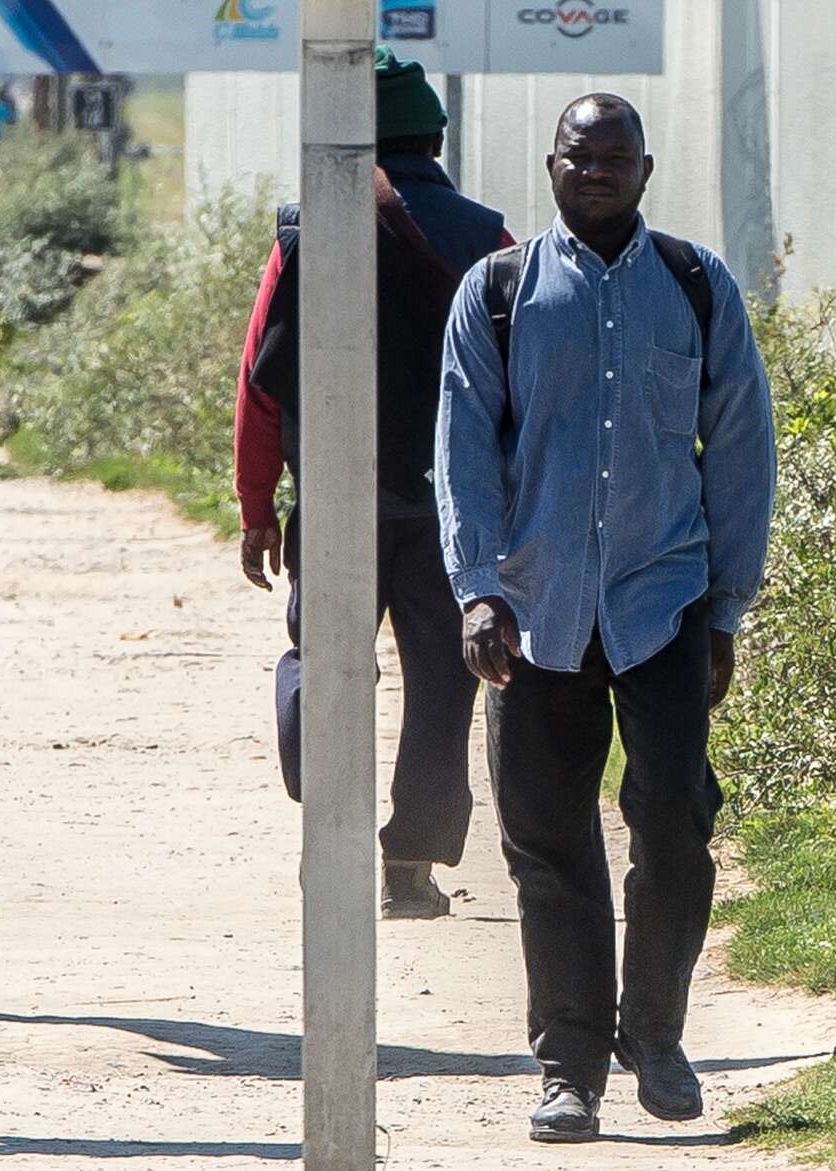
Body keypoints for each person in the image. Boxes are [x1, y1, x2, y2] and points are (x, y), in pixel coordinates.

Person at [436, 94, 776, 1142]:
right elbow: (461, 451)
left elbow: (739, 445)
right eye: (579, 157)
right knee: (546, 841)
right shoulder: (494, 291)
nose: (596, 172)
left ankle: (656, 1035)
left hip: (662, 602)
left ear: (643, 168)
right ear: (550, 164)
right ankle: (570, 1063)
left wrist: (724, 603)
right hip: (534, 611)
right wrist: (477, 587)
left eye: (614, 158)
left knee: (673, 820)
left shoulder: (694, 285)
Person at [239, 47, 513, 919]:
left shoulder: (303, 230)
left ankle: (329, 836)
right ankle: (412, 866)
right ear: (435, 135)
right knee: (442, 682)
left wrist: (256, 508)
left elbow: (261, 381)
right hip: (451, 511)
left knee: (322, 664)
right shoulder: (490, 239)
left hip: (336, 503)